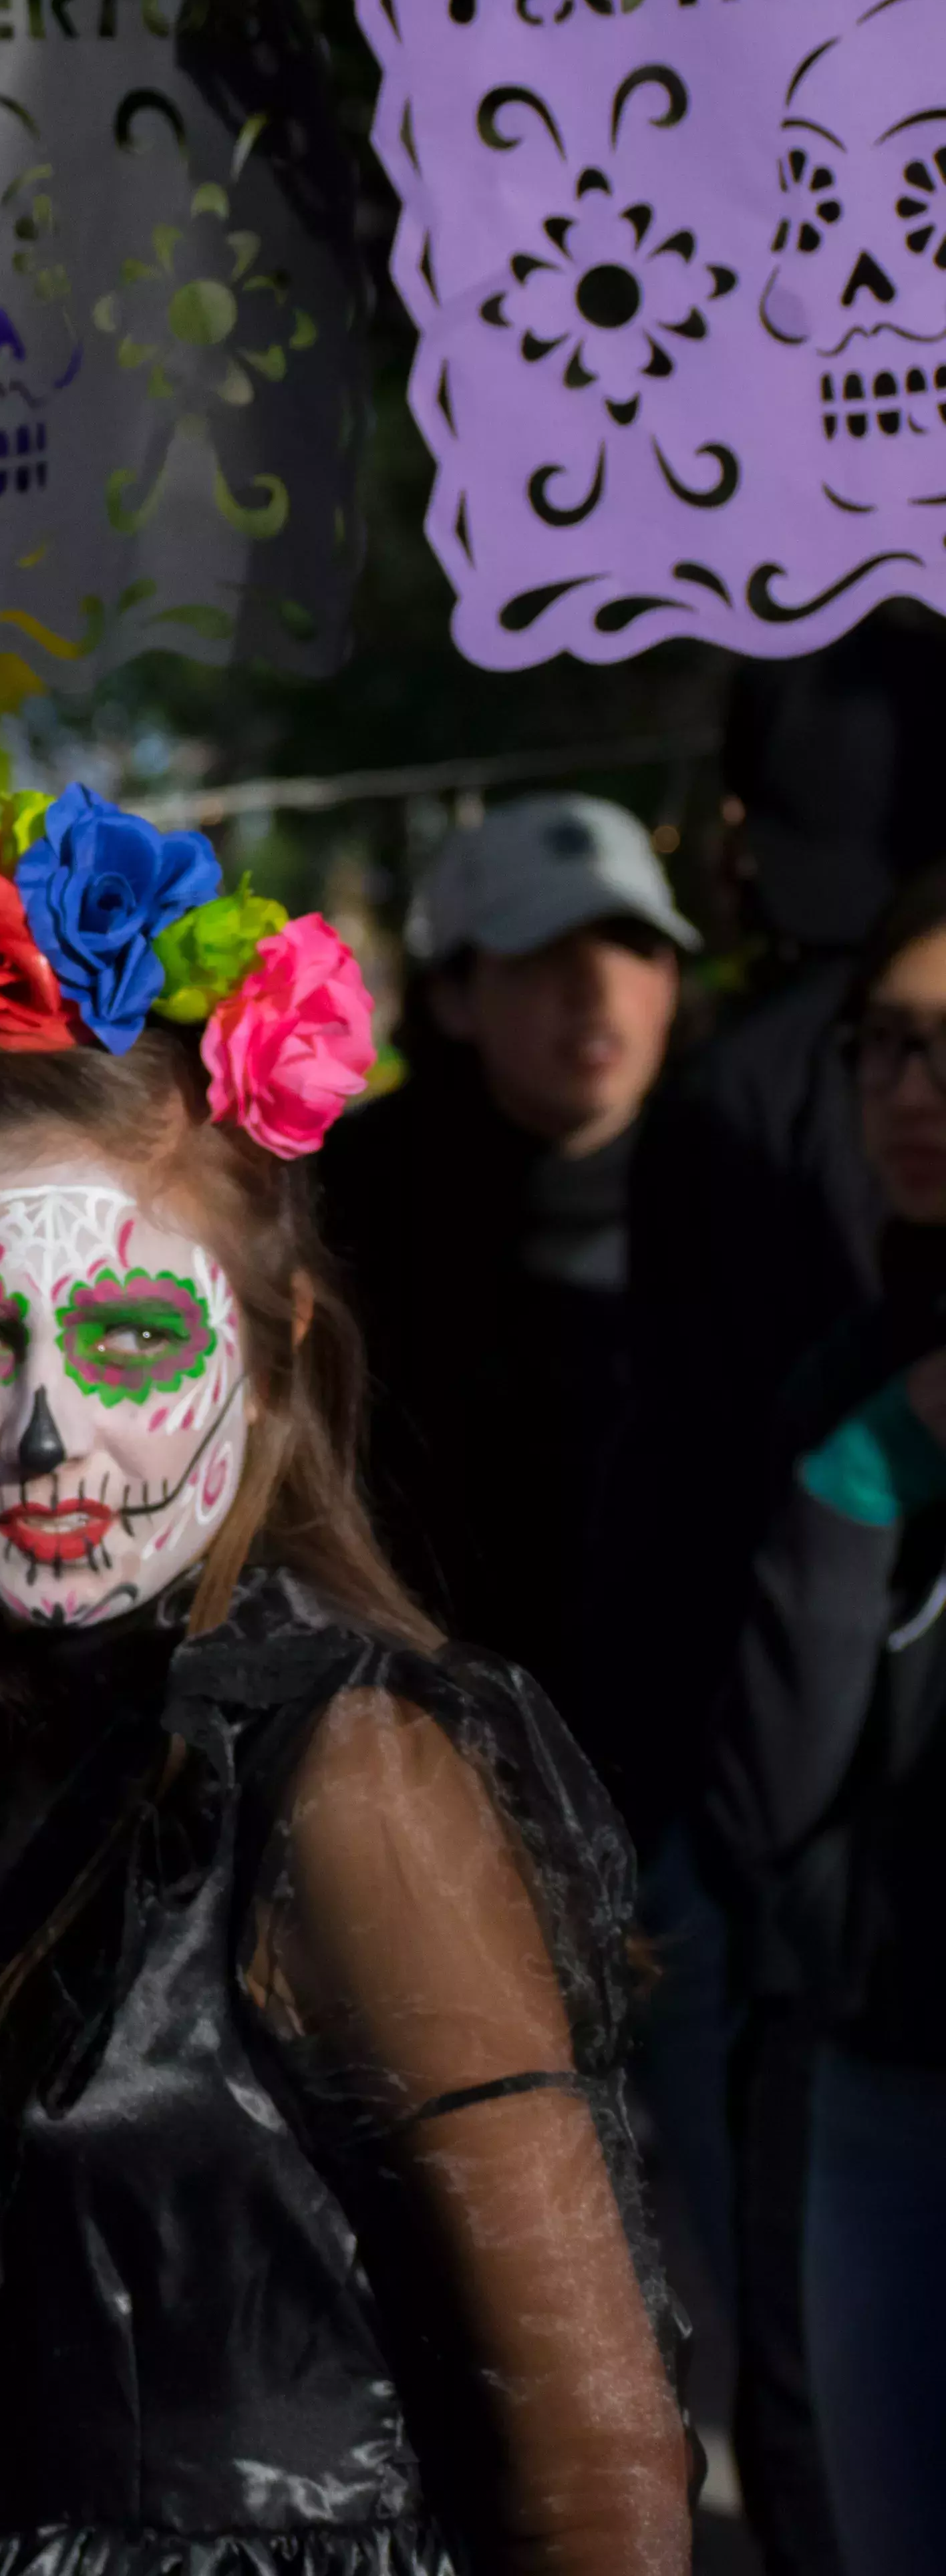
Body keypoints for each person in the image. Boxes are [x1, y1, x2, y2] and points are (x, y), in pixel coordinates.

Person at [0, 794, 689, 2573]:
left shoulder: (350, 1772)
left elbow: (603, 2465)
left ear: (277, 1349)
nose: (45, 1431)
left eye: (133, 1335)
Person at [715, 860, 946, 2573]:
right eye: (887, 1045)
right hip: (879, 2089)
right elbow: (767, 1797)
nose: (914, 1093)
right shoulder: (843, 1392)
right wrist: (880, 1464)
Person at [319, 794, 689, 1702]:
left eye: (630, 945)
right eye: (540, 951)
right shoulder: (347, 1204)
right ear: (452, 995)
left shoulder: (749, 1178)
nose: (595, 989)